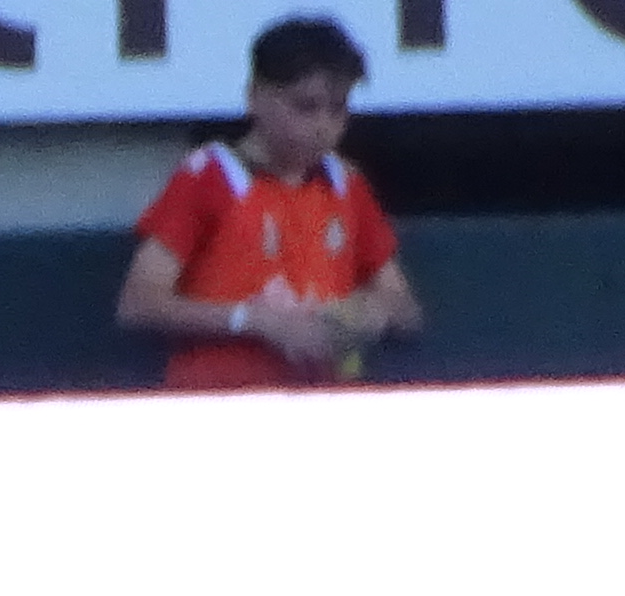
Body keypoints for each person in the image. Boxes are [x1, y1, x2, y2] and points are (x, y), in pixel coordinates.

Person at [117, 17, 422, 391]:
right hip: (217, 404)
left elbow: (403, 305)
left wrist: (365, 314)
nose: (323, 126)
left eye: (338, 109)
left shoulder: (347, 184)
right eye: (305, 107)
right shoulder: (208, 177)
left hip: (324, 405)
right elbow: (140, 302)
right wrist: (257, 321)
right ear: (254, 97)